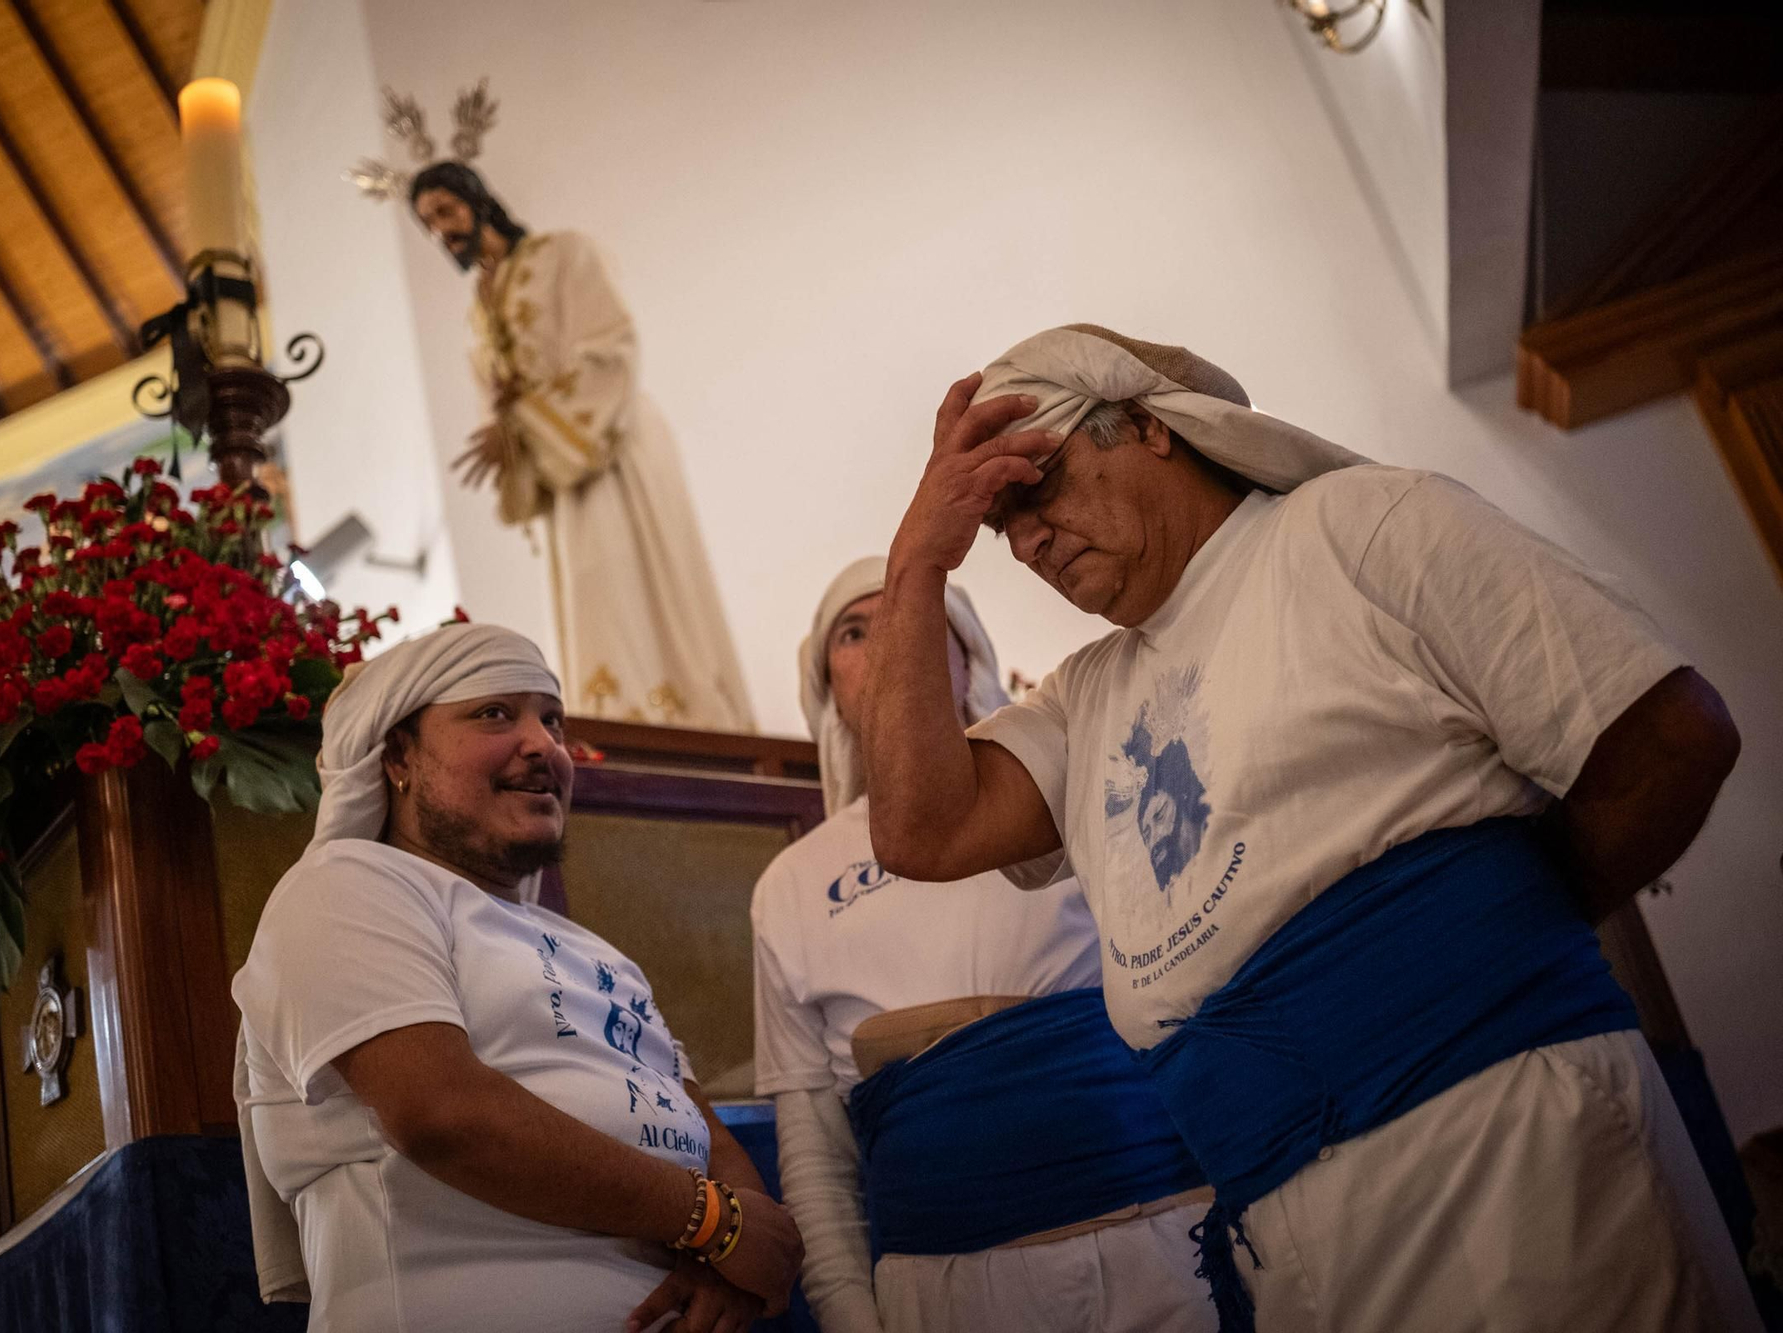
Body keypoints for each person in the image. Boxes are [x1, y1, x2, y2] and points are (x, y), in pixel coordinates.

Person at [861, 323, 1760, 1332]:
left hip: (1516, 1151)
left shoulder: (1360, 529)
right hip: (1278, 1222)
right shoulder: (1083, 699)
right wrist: (916, 565)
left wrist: (1472, 944)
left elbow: (1669, 737)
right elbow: (916, 831)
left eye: (1039, 484)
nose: (1024, 540)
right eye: (997, 524)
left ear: (1151, 428)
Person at [233, 621, 802, 1332]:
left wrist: (727, 1260)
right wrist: (711, 1221)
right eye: (495, 713)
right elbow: (442, 1113)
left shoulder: (601, 953)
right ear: (398, 755)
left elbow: (707, 1135)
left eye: (552, 718)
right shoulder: (348, 884)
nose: (545, 745)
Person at [753, 556, 1215, 1333]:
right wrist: (850, 1314)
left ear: (968, 659)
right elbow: (817, 1156)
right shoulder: (790, 884)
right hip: (942, 1290)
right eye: (857, 632)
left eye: (918, 619)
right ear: (827, 687)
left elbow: (1196, 1003)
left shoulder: (1072, 797)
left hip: (1165, 1243)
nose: (892, 644)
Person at [405, 159, 755, 732]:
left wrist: (523, 423)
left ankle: (674, 716)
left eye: (445, 210)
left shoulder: (562, 255)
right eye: (428, 223)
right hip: (557, 470)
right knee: (589, 588)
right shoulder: (478, 308)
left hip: (608, 447)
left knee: (630, 576)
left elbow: (611, 350)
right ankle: (612, 714)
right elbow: (495, 399)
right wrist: (508, 434)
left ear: (477, 199)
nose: (441, 229)